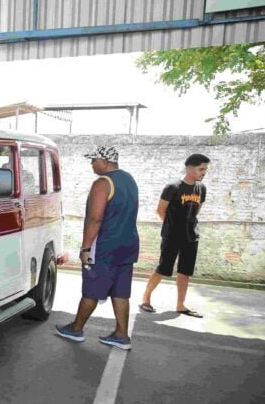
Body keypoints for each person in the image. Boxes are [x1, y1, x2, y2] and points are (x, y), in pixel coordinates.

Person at [56, 146, 139, 350]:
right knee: (121, 292)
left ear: (105, 161)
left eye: (94, 160)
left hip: (105, 246)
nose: (92, 164)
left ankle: (76, 329)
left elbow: (95, 219)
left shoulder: (102, 183)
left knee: (92, 289)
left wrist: (85, 249)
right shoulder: (129, 179)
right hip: (127, 245)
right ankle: (121, 335)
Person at [139, 154, 210, 318]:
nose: (204, 172)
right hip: (172, 236)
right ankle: (145, 299)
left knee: (185, 271)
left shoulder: (201, 188)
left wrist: (188, 225)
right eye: (201, 169)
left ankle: (180, 305)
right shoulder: (173, 187)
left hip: (191, 236)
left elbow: (197, 210)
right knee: (163, 269)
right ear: (189, 168)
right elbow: (160, 210)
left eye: (205, 169)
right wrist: (172, 226)